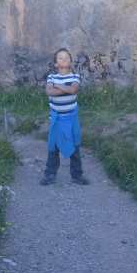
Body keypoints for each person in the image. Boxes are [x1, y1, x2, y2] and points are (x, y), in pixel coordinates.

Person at [40, 48, 90, 186]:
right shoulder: (51, 77)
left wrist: (58, 86)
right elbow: (49, 92)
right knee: (53, 148)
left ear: (71, 62)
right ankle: (50, 175)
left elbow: (74, 89)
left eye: (66, 57)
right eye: (60, 58)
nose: (63, 60)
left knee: (75, 147)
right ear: (56, 63)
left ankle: (77, 175)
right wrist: (65, 89)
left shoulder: (75, 77)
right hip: (56, 120)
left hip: (71, 119)